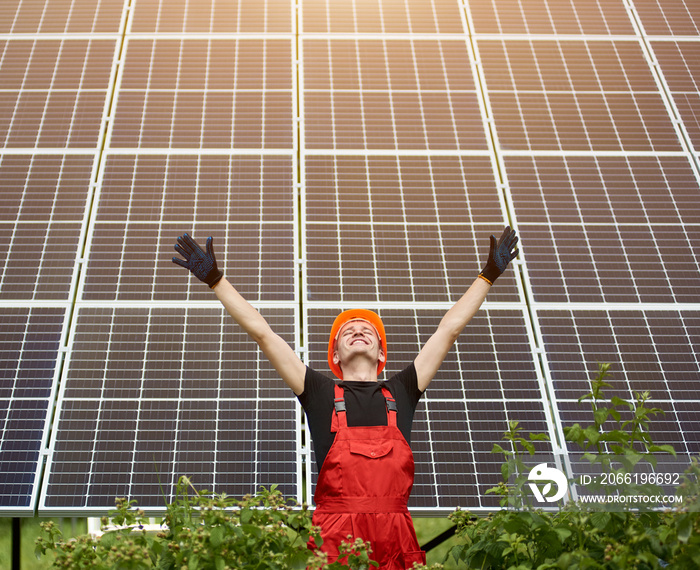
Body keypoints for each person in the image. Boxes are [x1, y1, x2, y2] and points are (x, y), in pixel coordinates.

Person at [172, 227, 519, 569]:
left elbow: (449, 329)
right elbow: (263, 333)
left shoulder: (402, 391)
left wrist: (488, 275)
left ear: (380, 352)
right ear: (335, 356)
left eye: (367, 329)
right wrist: (216, 280)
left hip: (396, 534)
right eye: (347, 330)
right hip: (335, 536)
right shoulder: (319, 392)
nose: (357, 330)